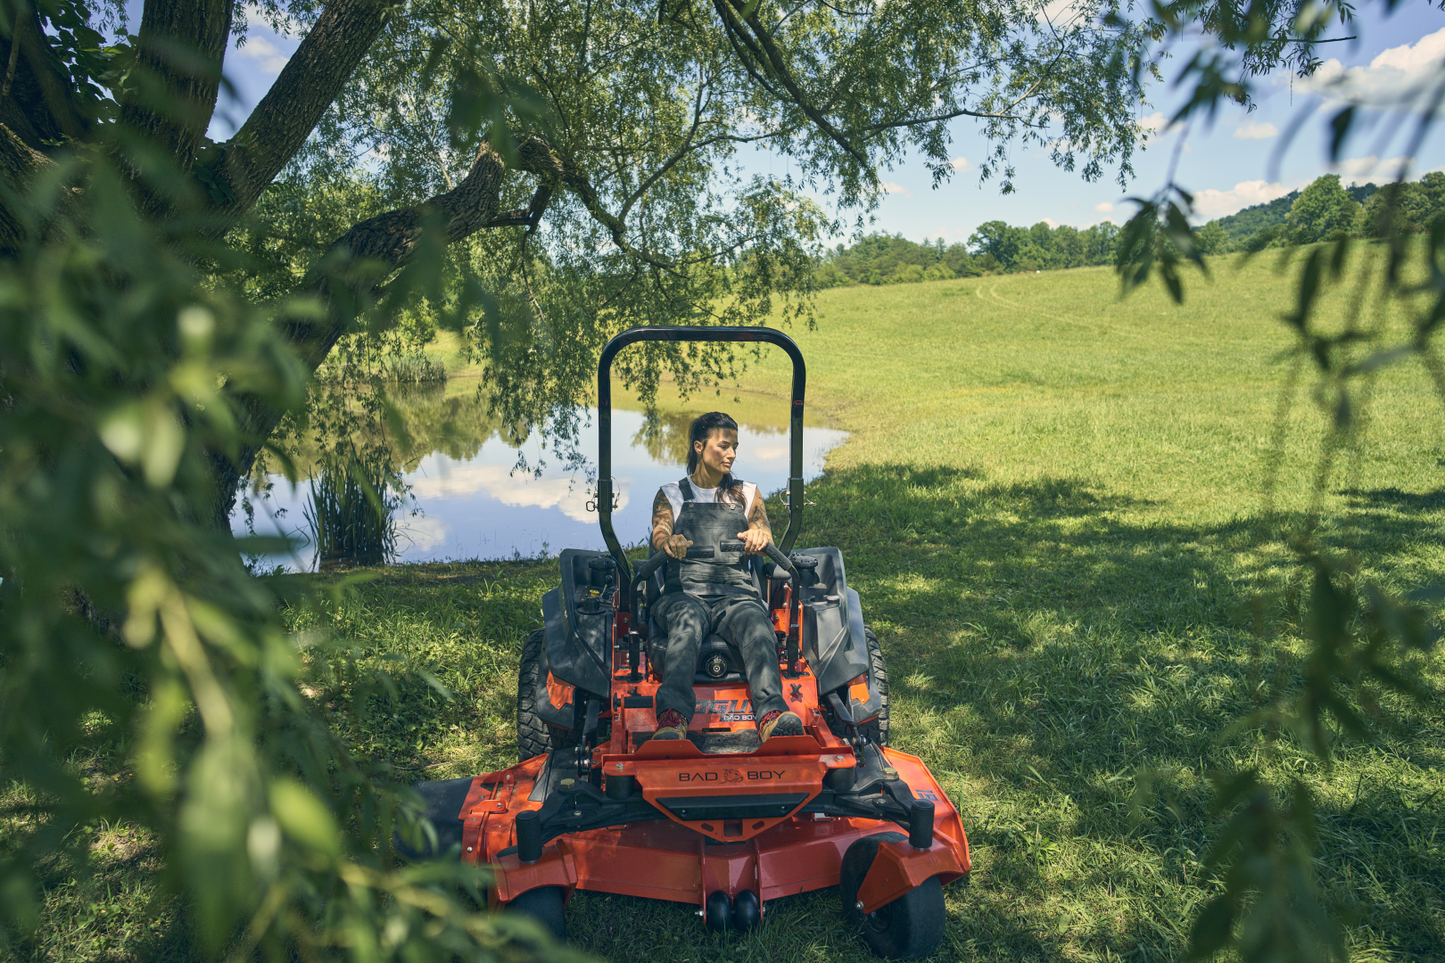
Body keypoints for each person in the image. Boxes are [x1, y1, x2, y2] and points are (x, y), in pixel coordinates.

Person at [647, 411, 804, 743]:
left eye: (734, 447)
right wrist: (668, 541)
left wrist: (761, 536)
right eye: (724, 446)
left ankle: (772, 715)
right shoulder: (671, 494)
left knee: (756, 623)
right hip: (683, 594)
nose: (731, 454)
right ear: (700, 447)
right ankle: (672, 719)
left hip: (736, 594)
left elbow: (762, 528)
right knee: (687, 622)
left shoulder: (746, 493)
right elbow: (659, 533)